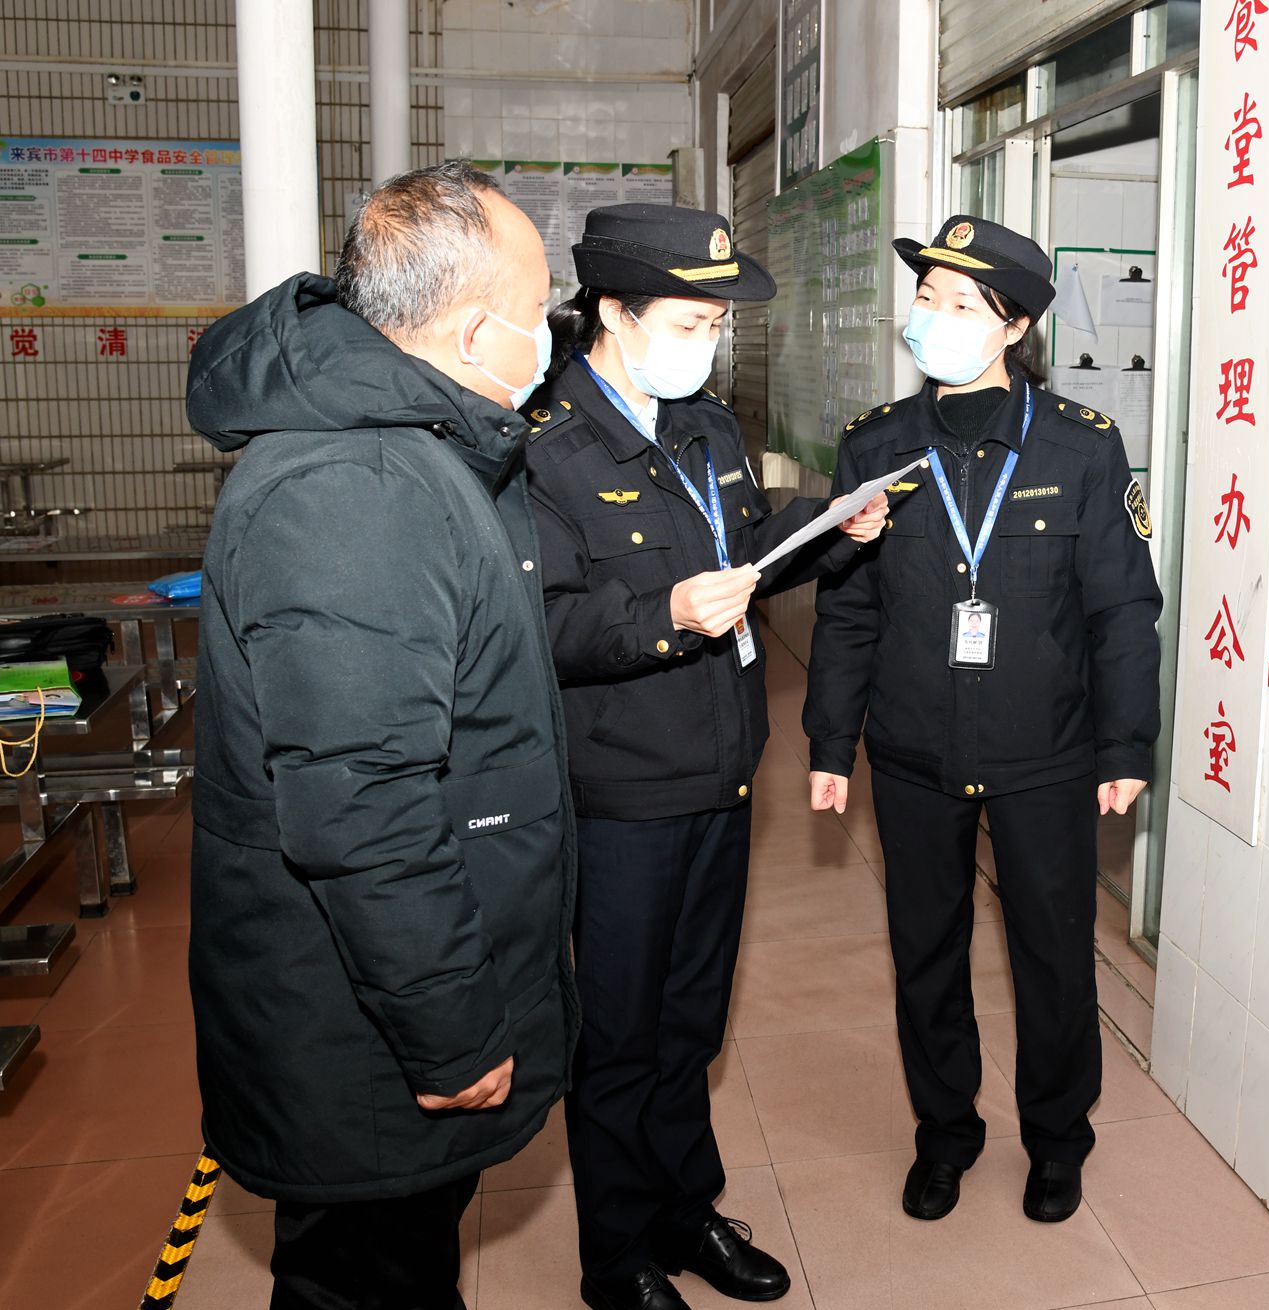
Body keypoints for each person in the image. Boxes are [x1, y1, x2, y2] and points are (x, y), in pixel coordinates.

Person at [185, 162, 574, 1309]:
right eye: (539, 308)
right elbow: (361, 804)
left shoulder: (407, 444)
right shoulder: (358, 482)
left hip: (373, 992)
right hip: (361, 1019)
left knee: (398, 1265)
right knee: (362, 1279)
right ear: (469, 327)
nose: (548, 335)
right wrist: (451, 1029)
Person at [521, 203, 887, 1310]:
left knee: (691, 1018)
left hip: (723, 775)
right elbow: (534, 628)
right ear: (612, 313)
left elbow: (739, 552)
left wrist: (825, 526)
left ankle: (686, 1206)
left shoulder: (705, 428)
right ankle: (616, 1250)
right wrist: (660, 612)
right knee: (621, 1031)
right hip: (621, 789)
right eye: (687, 319)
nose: (707, 340)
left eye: (715, 322)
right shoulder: (543, 449)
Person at [802, 214, 1163, 1227]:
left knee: (1051, 955)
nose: (934, 318)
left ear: (1012, 327)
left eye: (961, 305)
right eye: (926, 298)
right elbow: (849, 605)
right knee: (925, 950)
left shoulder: (1082, 447)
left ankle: (1057, 1139)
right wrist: (831, 741)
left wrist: (1123, 741)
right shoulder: (874, 446)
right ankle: (944, 1133)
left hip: (1043, 753)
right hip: (914, 751)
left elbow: (1121, 609)